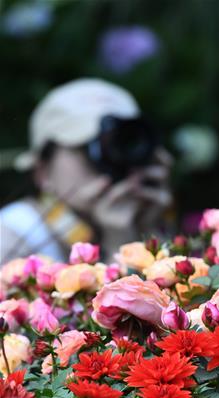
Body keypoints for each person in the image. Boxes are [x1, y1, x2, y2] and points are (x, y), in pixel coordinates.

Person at [0, 78, 172, 264]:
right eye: (88, 148)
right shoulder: (12, 236)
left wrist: (148, 230)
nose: (111, 159)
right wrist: (119, 244)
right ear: (43, 171)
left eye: (123, 143)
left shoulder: (147, 220)